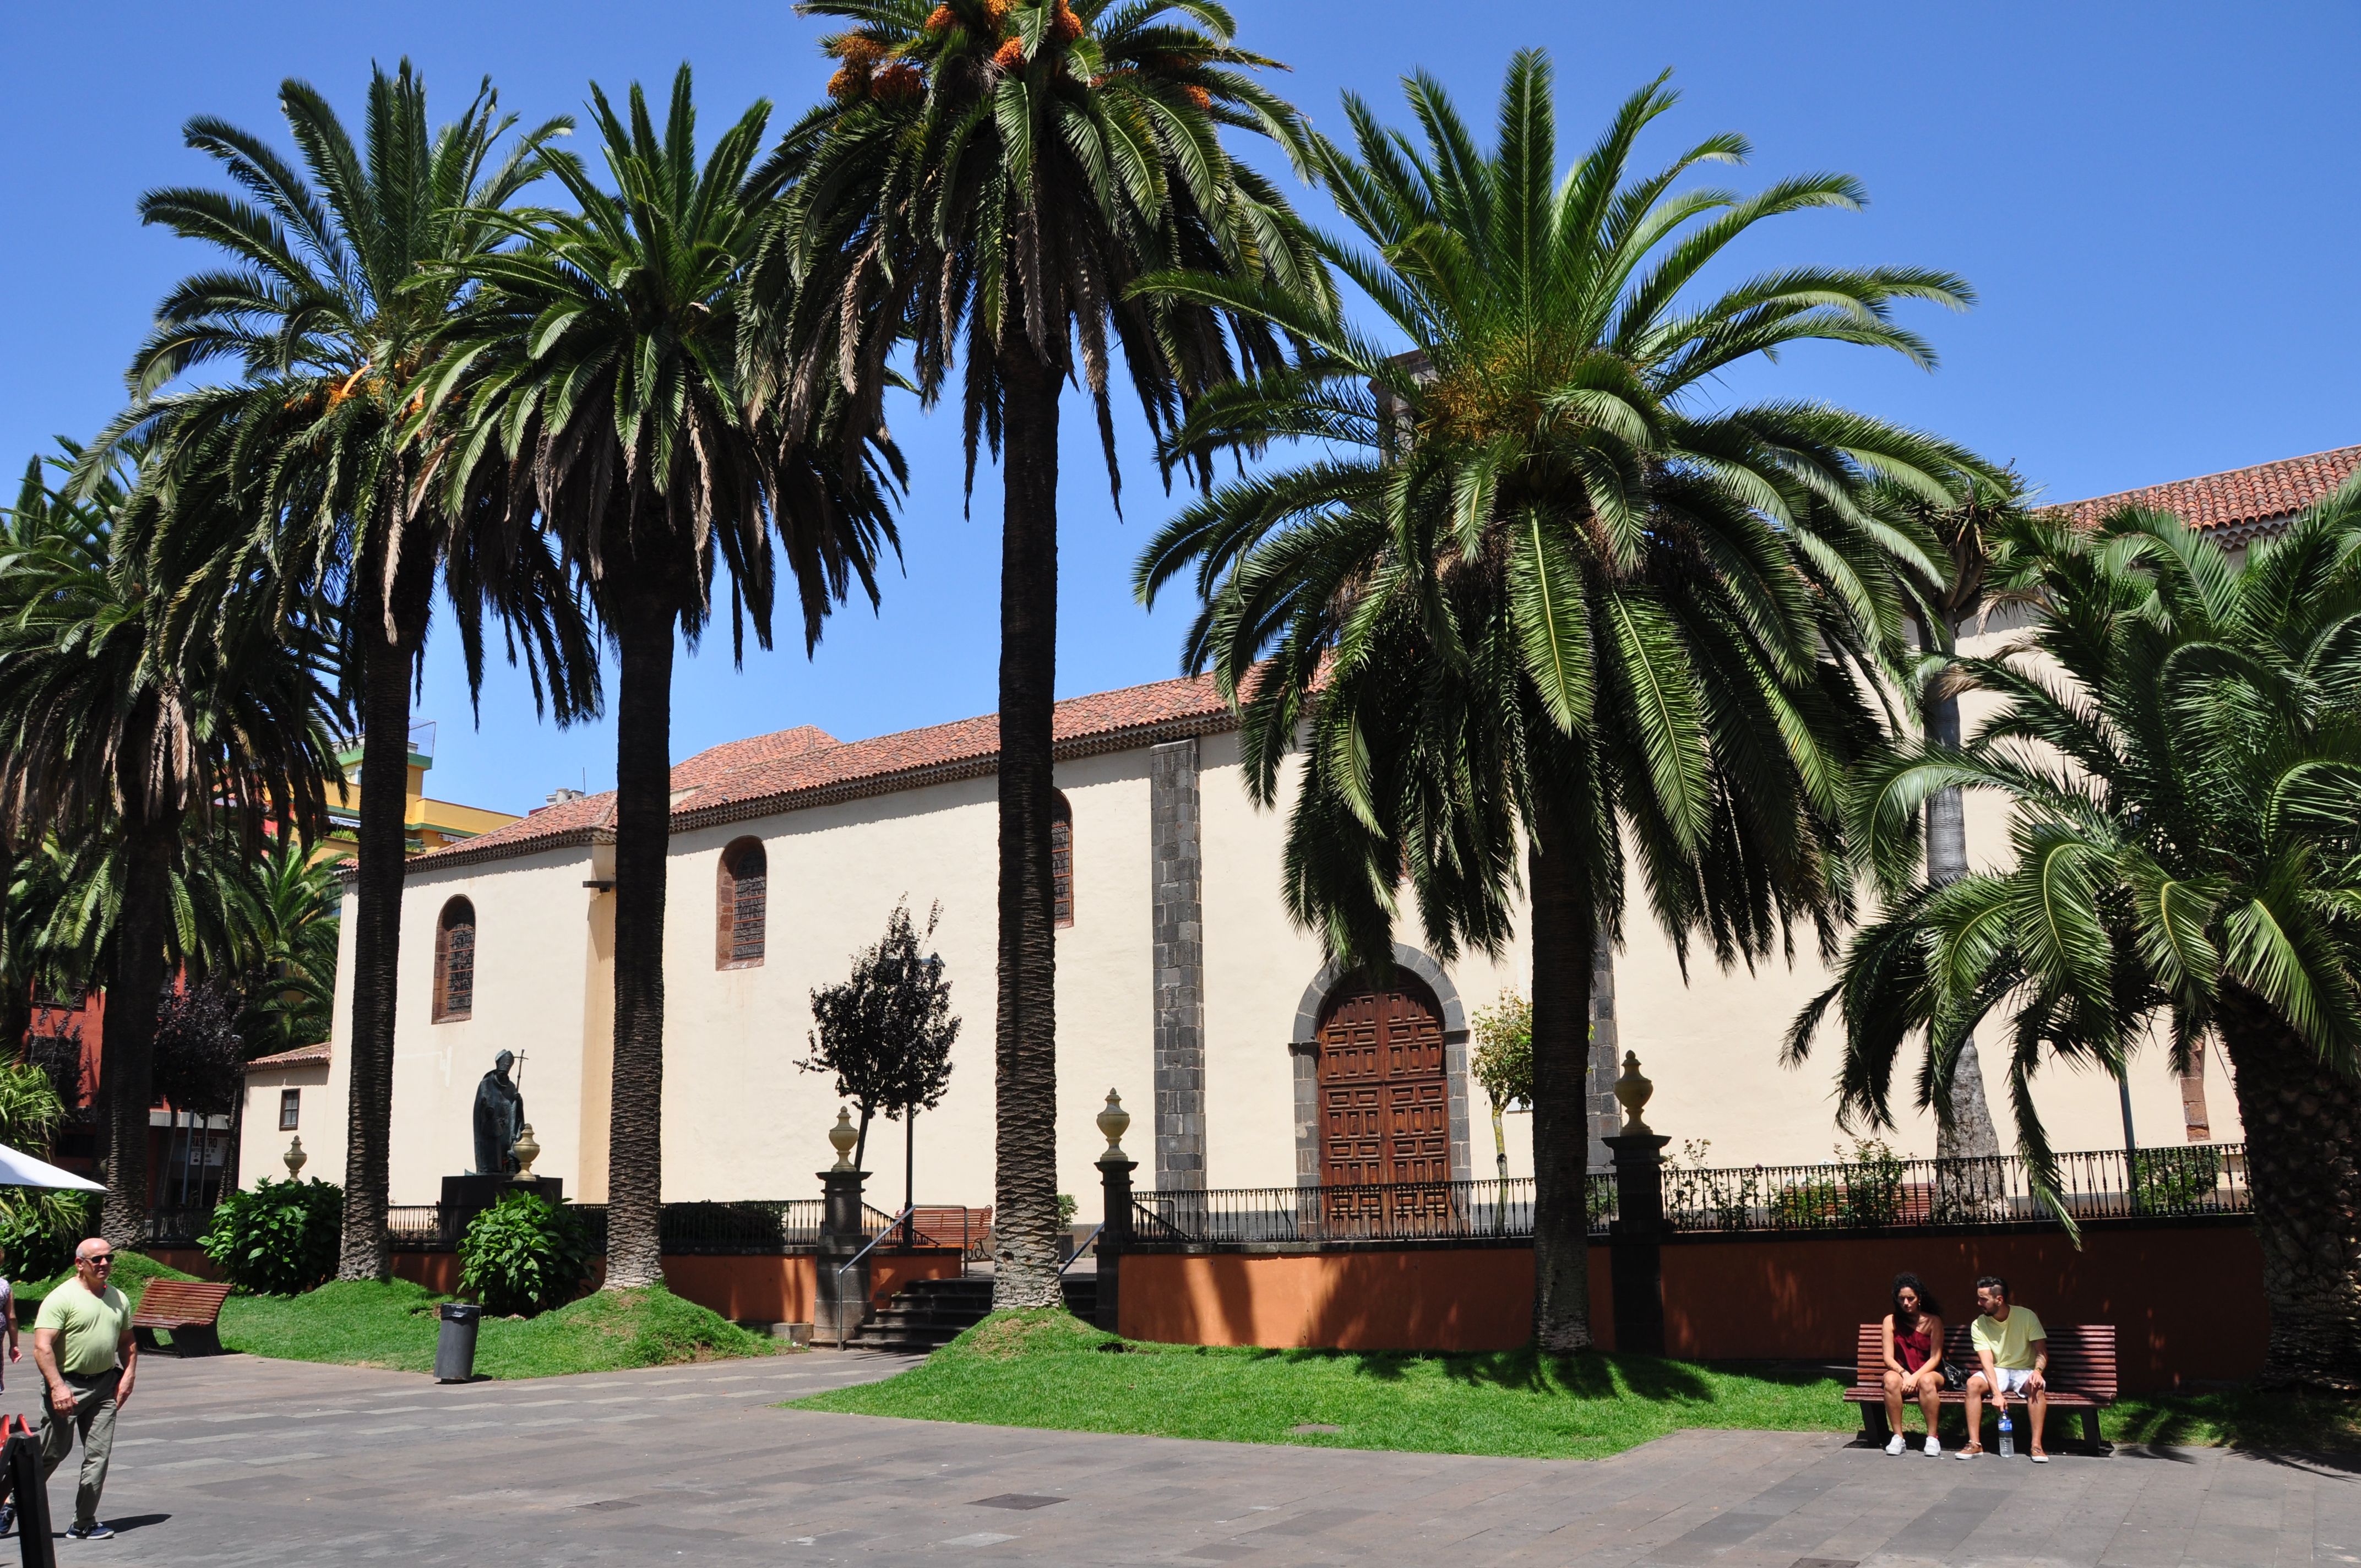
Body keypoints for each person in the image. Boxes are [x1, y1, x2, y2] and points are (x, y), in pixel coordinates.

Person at [32, 1238, 137, 1539]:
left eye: (109, 1258)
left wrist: (128, 1375)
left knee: (98, 1456)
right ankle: (12, 1502)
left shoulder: (119, 1298)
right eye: (97, 1259)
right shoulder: (61, 1298)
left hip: (105, 1386)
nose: (104, 1264)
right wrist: (57, 1387)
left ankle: (84, 1522)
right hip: (68, 1386)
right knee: (52, 1452)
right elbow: (42, 1348)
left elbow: (128, 1342)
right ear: (80, 1264)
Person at [1959, 1273, 2047, 1462]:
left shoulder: (2027, 1316)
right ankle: (1975, 1444)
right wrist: (1997, 1393)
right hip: (1998, 1370)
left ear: (1999, 1299)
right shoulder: (1979, 1324)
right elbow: (1987, 1362)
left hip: (2024, 1369)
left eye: (1983, 1299)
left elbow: (2041, 1352)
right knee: (1973, 1384)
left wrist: (2038, 1372)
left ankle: (2037, 1446)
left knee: (2036, 1386)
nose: (1979, 1303)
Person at [1879, 1272, 1946, 1456]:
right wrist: (1905, 1374)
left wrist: (1915, 1377)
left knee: (1926, 1382)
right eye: (1902, 1299)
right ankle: (1898, 1437)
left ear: (1919, 1298)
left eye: (1910, 1298)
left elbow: (1935, 1358)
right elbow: (1888, 1358)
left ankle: (1932, 1438)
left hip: (1930, 1372)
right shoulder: (1890, 1321)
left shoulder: (1933, 1321)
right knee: (1890, 1380)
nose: (1906, 1303)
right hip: (1903, 1372)